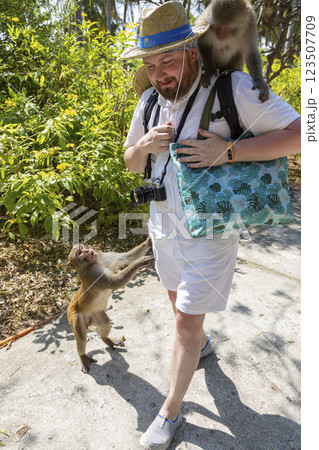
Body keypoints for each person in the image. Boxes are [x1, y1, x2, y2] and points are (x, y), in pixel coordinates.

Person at [121, 2, 301, 449]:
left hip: (214, 231)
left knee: (184, 321)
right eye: (150, 64)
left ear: (192, 52)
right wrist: (143, 144)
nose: (159, 73)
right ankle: (200, 347)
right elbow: (130, 163)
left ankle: (170, 412)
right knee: (174, 299)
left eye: (167, 59)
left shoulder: (232, 89)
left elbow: (302, 133)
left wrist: (229, 151)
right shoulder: (148, 102)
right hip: (163, 226)